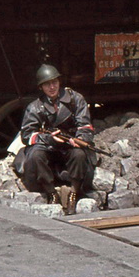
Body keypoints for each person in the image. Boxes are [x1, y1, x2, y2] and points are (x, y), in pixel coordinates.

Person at [13, 64, 96, 213]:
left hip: (70, 145)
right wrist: (49, 139)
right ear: (41, 87)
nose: (52, 87)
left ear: (59, 82)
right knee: (36, 155)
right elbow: (27, 135)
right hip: (48, 147)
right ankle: (51, 193)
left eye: (54, 82)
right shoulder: (35, 107)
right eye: (47, 84)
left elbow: (85, 127)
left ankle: (74, 193)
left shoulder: (76, 99)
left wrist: (77, 140)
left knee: (79, 155)